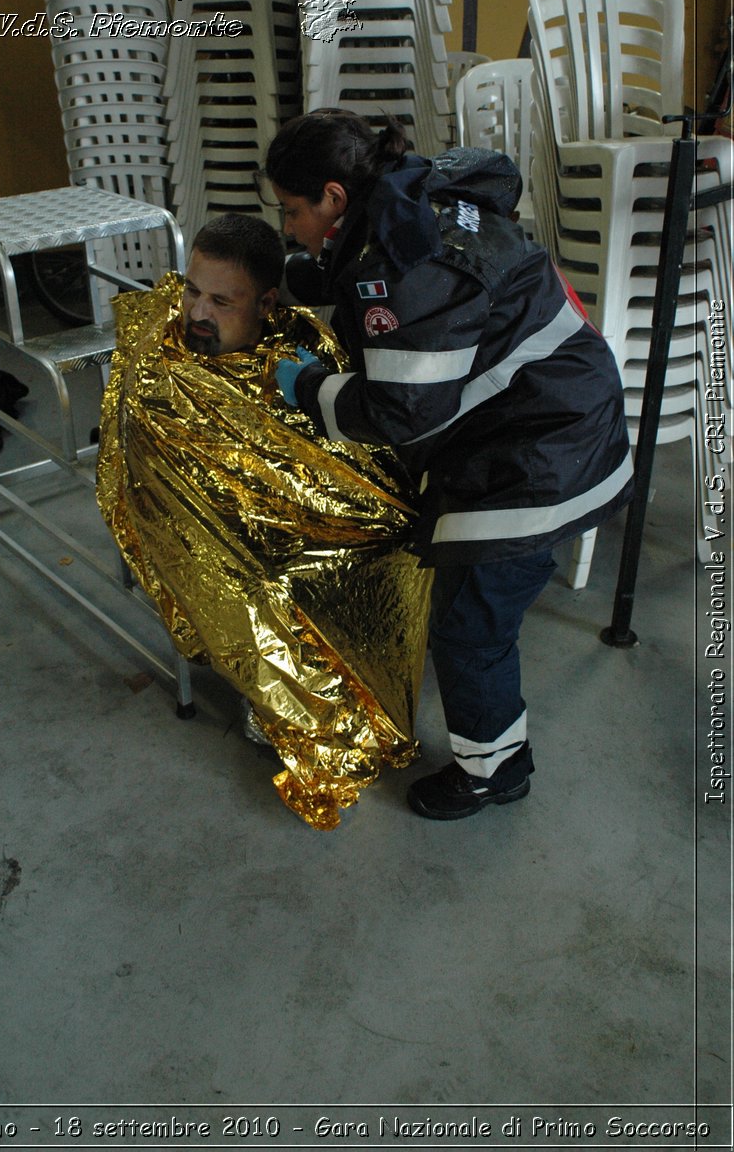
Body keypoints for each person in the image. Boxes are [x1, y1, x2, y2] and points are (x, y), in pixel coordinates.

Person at [265, 110, 634, 821]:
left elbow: (405, 410)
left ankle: (492, 773)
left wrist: (308, 389)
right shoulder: (415, 197)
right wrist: (313, 282)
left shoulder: (405, 261)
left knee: (470, 629)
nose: (288, 226)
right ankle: (495, 756)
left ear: (336, 198)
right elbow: (420, 309)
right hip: (562, 413)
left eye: (292, 210)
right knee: (476, 618)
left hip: (541, 454)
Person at [96, 214, 431, 830]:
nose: (198, 311)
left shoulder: (297, 342)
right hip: (220, 532)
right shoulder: (162, 372)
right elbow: (174, 493)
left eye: (222, 300)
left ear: (267, 302)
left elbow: (348, 447)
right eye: (193, 290)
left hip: (308, 513)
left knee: (397, 530)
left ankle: (363, 680)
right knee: (270, 577)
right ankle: (286, 701)